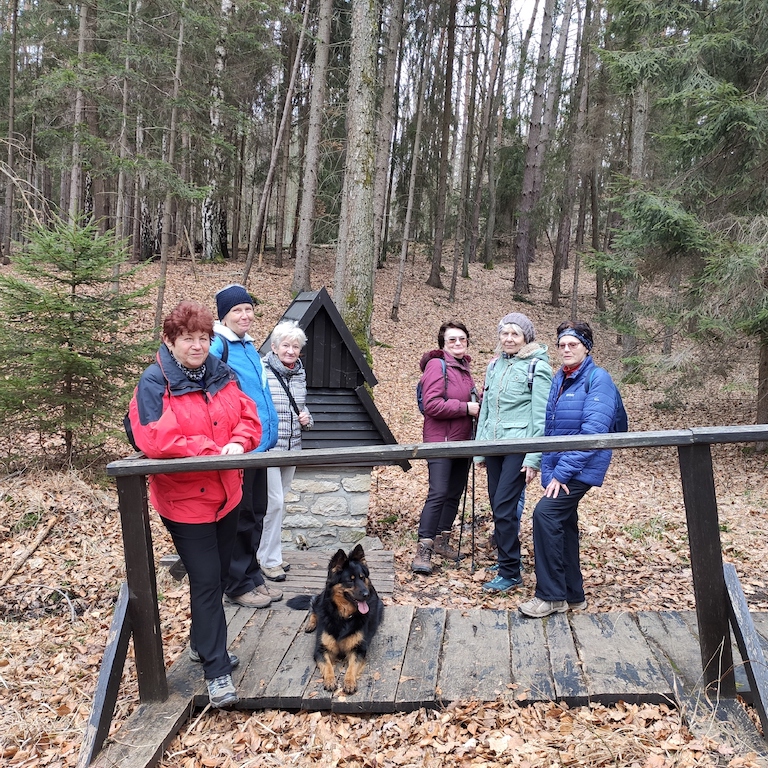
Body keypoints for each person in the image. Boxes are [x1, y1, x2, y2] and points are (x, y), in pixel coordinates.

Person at [128, 300, 262, 708]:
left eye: (204, 337)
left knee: (218, 577)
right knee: (206, 580)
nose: (198, 345)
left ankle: (203, 644)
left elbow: (249, 416)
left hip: (227, 495)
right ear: (170, 341)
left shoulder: (220, 373)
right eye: (188, 338)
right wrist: (213, 448)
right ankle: (216, 671)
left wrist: (238, 443)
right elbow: (154, 438)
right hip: (185, 503)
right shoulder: (155, 383)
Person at [518, 321, 616, 618]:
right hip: (561, 464)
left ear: (586, 347)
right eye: (562, 344)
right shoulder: (561, 377)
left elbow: (592, 433)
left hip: (580, 465)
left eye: (573, 344)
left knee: (545, 513)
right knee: (563, 523)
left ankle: (551, 596)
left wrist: (561, 474)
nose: (566, 349)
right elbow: (551, 429)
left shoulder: (598, 379)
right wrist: (546, 466)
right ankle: (573, 595)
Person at [211, 284, 282, 609]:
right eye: (237, 310)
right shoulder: (218, 346)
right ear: (224, 315)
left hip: (260, 446)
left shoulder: (249, 346)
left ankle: (252, 575)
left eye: (248, 308)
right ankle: (236, 583)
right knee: (241, 517)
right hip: (239, 448)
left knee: (256, 513)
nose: (245, 315)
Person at [475, 312, 552, 592]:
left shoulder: (537, 367)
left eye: (515, 334)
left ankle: (510, 572)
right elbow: (485, 410)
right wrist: (480, 450)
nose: (509, 338)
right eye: (505, 333)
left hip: (519, 447)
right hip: (494, 445)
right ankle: (510, 560)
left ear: (525, 338)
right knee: (498, 506)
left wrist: (534, 457)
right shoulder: (495, 365)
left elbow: (540, 417)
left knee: (506, 508)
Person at [412, 321, 480, 575]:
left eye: (462, 339)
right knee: (438, 492)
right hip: (440, 440)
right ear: (443, 343)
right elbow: (432, 405)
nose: (458, 343)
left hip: (463, 441)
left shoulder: (464, 369)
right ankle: (424, 549)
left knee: (453, 493)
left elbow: (466, 399)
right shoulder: (436, 365)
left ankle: (442, 541)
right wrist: (466, 408)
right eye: (452, 340)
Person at [260, 320, 314, 581]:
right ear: (274, 346)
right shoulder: (262, 371)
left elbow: (302, 409)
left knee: (279, 506)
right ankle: (267, 560)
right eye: (286, 345)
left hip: (292, 448)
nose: (291, 351)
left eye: (295, 346)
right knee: (274, 504)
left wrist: (307, 419)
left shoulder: (300, 374)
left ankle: (273, 556)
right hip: (270, 448)